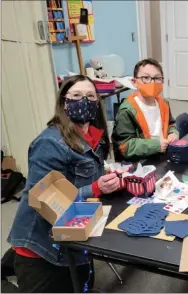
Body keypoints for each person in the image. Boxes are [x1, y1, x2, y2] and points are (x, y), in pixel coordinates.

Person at [7, 75, 120, 292]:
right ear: (64, 102)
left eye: (90, 96)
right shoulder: (49, 143)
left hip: (75, 237)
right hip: (42, 248)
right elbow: (44, 198)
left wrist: (108, 177)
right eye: (76, 96)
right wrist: (96, 188)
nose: (84, 101)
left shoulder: (95, 137)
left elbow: (79, 175)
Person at [112, 58, 179, 161]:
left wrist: (172, 133)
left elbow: (171, 124)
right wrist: (155, 145)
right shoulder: (127, 111)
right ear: (134, 82)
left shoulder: (163, 103)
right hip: (142, 163)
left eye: (157, 78)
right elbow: (124, 146)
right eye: (146, 78)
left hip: (163, 155)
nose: (152, 82)